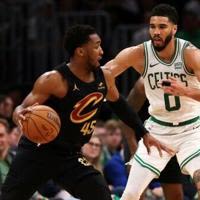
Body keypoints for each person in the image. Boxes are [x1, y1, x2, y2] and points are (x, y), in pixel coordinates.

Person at [0, 24, 172, 200]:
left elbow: (120, 105)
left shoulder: (104, 77)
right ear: (80, 52)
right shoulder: (54, 80)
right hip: (36, 152)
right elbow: (22, 107)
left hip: (69, 154)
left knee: (101, 194)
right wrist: (19, 114)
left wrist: (143, 133)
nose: (102, 51)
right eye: (96, 46)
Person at [105, 4, 200, 199]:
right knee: (130, 194)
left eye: (162, 27)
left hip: (192, 130)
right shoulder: (139, 53)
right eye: (152, 26)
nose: (156, 32)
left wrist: (186, 90)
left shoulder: (190, 54)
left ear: (174, 29)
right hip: (157, 132)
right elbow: (103, 74)